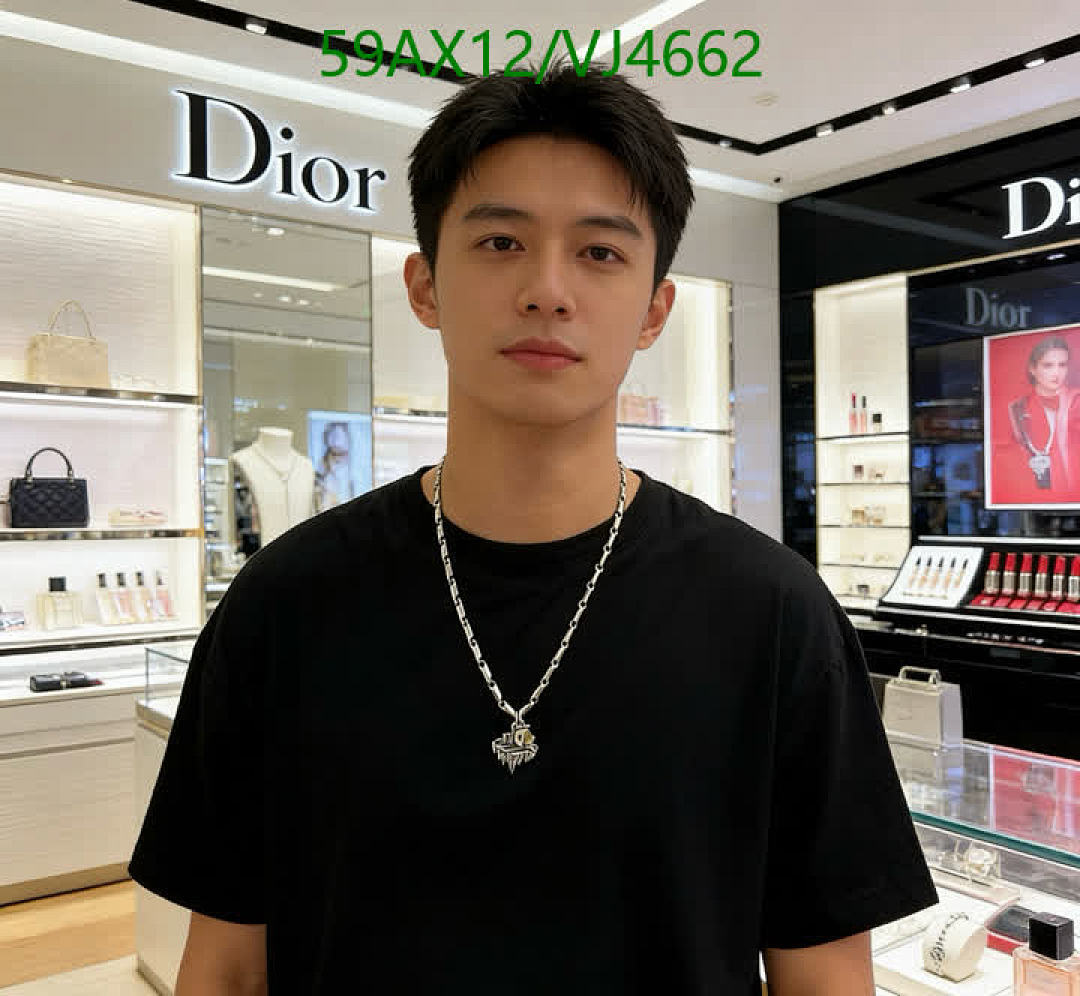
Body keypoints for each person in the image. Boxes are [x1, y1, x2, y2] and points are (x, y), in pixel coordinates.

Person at [128, 61, 937, 995]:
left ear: (655, 310)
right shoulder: (285, 604)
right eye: (501, 241)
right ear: (425, 287)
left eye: (601, 253)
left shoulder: (773, 613)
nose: (548, 290)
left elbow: (825, 978)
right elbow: (227, 968)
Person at [1003, 335, 1080, 501]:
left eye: (1062, 365)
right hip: (1031, 495)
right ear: (1033, 368)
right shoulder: (1017, 408)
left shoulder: (1076, 401)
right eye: (1048, 365)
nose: (1056, 373)